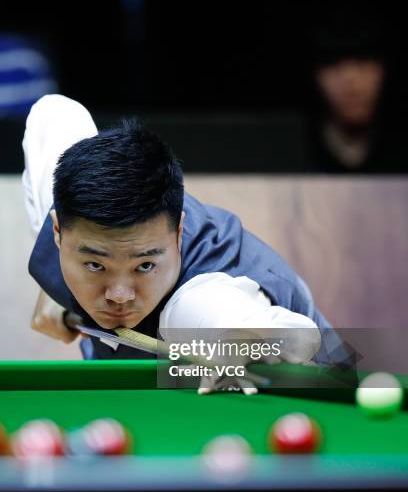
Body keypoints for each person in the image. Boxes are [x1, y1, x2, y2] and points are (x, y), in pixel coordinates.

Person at [23, 95, 333, 394]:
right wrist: (54, 283)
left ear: (179, 232)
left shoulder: (200, 299)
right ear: (58, 232)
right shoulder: (68, 206)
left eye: (145, 265)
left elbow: (280, 334)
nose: (119, 296)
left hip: (314, 390)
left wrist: (244, 340)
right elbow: (53, 113)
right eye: (95, 265)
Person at [306, 8, 408, 173]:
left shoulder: (401, 151)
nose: (350, 80)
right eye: (333, 65)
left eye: (363, 62)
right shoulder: (294, 153)